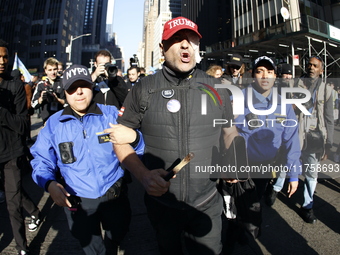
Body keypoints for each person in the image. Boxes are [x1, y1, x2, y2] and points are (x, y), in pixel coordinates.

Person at [105, 16, 237, 255]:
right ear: (163, 48)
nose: (185, 44)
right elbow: (119, 139)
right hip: (162, 205)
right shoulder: (144, 89)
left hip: (207, 203)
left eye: (191, 39)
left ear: (197, 47)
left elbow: (229, 131)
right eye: (176, 39)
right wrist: (143, 176)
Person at [30, 64, 144, 255]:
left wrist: (136, 138)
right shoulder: (54, 124)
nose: (79, 92)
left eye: (84, 85)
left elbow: (139, 147)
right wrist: (49, 184)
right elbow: (41, 161)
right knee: (92, 248)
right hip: (78, 201)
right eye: (73, 88)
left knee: (117, 236)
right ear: (65, 92)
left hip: (113, 195)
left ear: (92, 87)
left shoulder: (111, 114)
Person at [269, 56, 334, 224]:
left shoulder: (327, 90)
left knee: (312, 172)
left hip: (314, 137)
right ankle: (275, 189)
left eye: (315, 66)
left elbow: (329, 119)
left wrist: (329, 145)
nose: (311, 67)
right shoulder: (295, 84)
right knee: (286, 162)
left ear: (321, 70)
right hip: (293, 134)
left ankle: (307, 205)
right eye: (309, 65)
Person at [232, 56, 300, 202]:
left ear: (275, 76)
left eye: (269, 71)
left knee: (255, 208)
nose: (265, 76)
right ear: (252, 75)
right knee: (238, 214)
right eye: (260, 71)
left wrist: (293, 173)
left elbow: (291, 139)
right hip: (240, 168)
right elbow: (223, 133)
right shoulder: (237, 100)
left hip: (266, 168)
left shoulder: (284, 104)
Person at [0, 39, 41, 255]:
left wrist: (2, 112)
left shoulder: (16, 86)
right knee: (11, 192)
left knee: (12, 203)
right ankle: (34, 210)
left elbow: (23, 124)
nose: (2, 61)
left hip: (11, 152)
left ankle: (22, 248)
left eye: (5, 57)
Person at [31, 57, 66, 123]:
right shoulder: (41, 84)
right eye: (50, 70)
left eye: (55, 69)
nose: (53, 72)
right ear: (45, 70)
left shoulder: (64, 82)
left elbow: (70, 103)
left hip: (62, 120)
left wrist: (58, 100)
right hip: (47, 121)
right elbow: (33, 104)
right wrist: (41, 99)